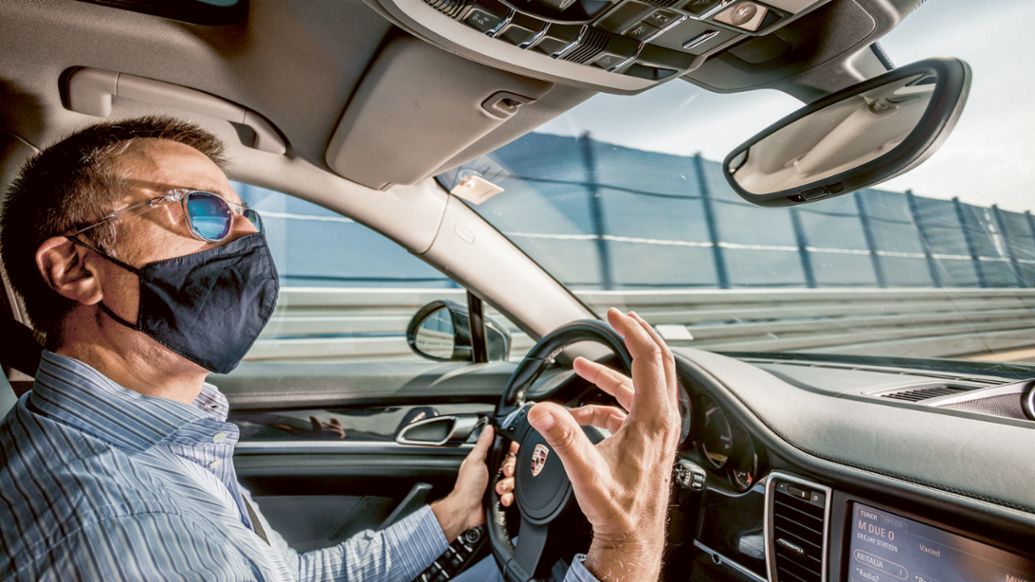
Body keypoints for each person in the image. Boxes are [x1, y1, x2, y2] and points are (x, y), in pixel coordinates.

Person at [0, 117, 681, 580]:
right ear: (76, 269)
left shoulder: (145, 444)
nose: (245, 243)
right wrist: (625, 547)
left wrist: (455, 514)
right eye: (202, 212)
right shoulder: (127, 529)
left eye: (246, 219)